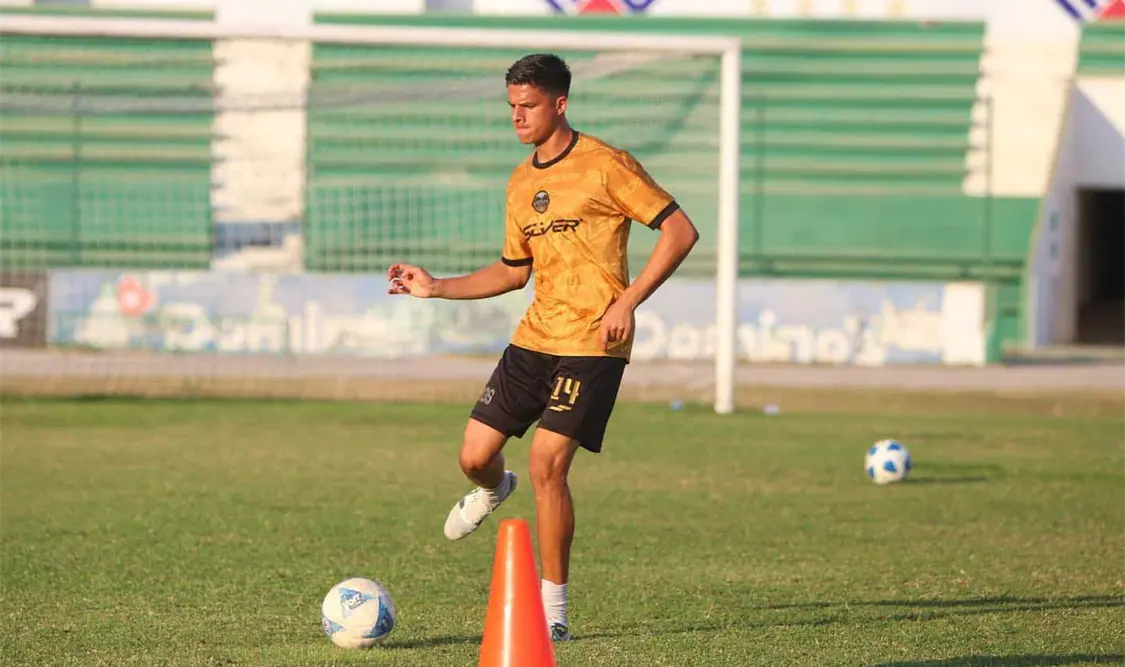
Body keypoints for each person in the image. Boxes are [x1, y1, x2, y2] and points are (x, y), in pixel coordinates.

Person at [386, 53, 699, 641]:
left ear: (560, 103)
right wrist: (435, 288)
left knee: (546, 465)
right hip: (534, 338)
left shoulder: (608, 165)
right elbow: (512, 272)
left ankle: (553, 612)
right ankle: (491, 489)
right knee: (474, 457)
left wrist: (627, 300)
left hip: (593, 342)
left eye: (528, 105)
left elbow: (681, 232)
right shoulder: (521, 180)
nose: (517, 117)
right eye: (510, 107)